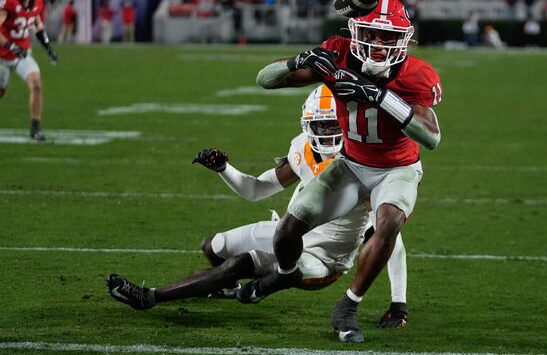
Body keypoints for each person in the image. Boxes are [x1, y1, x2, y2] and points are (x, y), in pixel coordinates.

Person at [106, 86, 410, 330]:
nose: (328, 132)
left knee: (239, 264)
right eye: (321, 125)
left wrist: (399, 303)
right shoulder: (303, 150)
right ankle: (223, 286)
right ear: (308, 125)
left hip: (325, 257)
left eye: (334, 123)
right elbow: (256, 189)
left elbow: (389, 239)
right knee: (215, 246)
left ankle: (150, 297)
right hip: (289, 234)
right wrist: (225, 169)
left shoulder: (363, 165)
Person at [246, 0, 442, 343]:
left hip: (396, 168)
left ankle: (348, 307)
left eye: (388, 37)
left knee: (390, 222)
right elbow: (265, 79)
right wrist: (297, 60)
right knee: (289, 230)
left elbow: (431, 137)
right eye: (371, 35)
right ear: (355, 31)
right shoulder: (339, 52)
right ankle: (287, 273)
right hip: (351, 164)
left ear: (404, 38)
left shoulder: (417, 73)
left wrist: (380, 96)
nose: (379, 44)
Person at [0, 0, 58, 141]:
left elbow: (38, 27)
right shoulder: (6, 1)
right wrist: (11, 46)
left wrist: (48, 48)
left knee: (36, 84)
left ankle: (35, 127)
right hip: (2, 55)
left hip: (21, 53)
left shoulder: (38, 1)